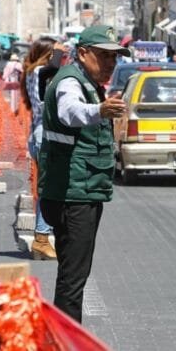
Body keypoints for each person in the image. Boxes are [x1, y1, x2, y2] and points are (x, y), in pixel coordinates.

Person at [38, 25, 129, 322]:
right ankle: (64, 339)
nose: (111, 63)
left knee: (74, 274)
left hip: (80, 190)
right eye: (104, 56)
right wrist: (99, 111)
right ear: (82, 53)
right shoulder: (70, 81)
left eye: (114, 57)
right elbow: (69, 111)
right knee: (73, 279)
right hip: (71, 194)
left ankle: (62, 337)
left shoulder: (88, 82)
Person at [20, 37, 60, 261]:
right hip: (42, 135)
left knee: (50, 188)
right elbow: (52, 68)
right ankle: (42, 239)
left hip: (39, 134)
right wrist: (59, 53)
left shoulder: (33, 72)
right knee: (48, 190)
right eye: (53, 53)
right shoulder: (39, 72)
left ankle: (44, 236)